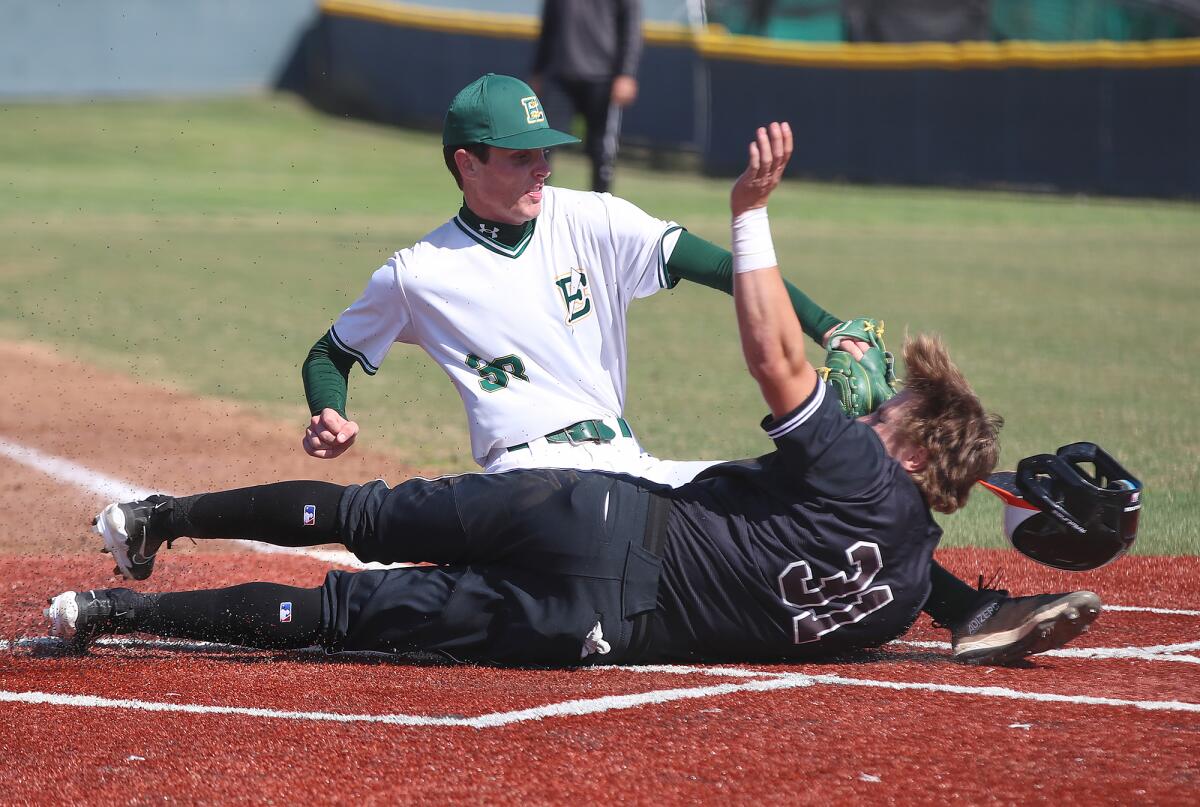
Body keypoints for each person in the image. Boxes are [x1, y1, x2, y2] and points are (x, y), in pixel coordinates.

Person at [49, 123, 1101, 667]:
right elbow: (332, 352)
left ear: (913, 454)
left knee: (362, 526)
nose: (878, 408)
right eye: (521, 154)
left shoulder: (854, 464)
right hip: (602, 622)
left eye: (897, 415)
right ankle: (121, 601)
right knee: (342, 613)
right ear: (469, 164)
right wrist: (959, 569)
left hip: (594, 499)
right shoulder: (890, 602)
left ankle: (152, 536)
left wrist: (758, 228)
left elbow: (776, 369)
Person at [530, 0, 642, 192]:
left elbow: (631, 29)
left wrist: (626, 74)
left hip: (603, 77)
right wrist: (538, 70)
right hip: (559, 74)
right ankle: (537, 206)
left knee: (602, 151)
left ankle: (601, 208)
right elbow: (549, 24)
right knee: (542, 145)